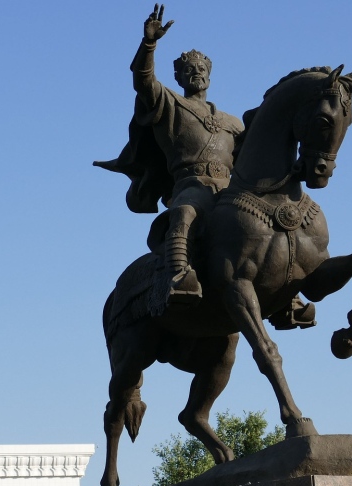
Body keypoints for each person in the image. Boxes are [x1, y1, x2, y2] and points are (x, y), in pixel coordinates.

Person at [95, 5, 314, 326]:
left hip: (231, 188)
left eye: (201, 69)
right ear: (180, 77)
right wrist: (149, 44)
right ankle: (178, 275)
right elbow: (143, 82)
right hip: (190, 186)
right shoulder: (171, 105)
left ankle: (286, 296)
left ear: (210, 75)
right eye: (189, 70)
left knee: (274, 219)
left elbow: (254, 159)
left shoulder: (231, 122)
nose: (196, 73)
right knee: (184, 213)